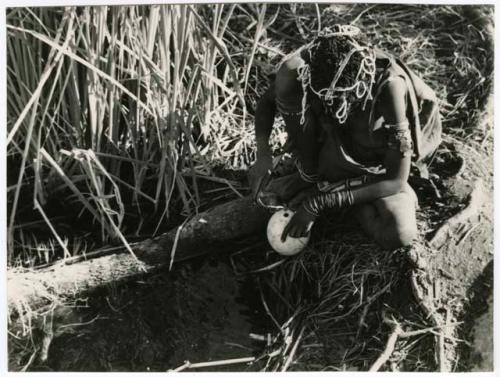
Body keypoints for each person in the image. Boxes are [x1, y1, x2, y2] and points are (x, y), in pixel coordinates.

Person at [248, 25, 442, 250]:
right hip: (331, 144)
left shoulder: (389, 89)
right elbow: (268, 101)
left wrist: (320, 203)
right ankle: (312, 174)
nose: (333, 103)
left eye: (343, 96)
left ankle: (339, 191)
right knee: (289, 80)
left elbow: (396, 179)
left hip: (374, 163)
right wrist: (263, 154)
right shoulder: (311, 65)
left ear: (361, 84)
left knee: (399, 233)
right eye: (326, 95)